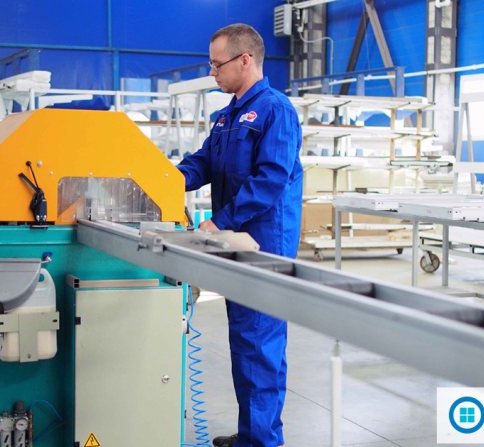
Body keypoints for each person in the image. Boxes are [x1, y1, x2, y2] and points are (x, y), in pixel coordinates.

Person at [177, 23, 303, 447]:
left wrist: (220, 222)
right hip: (235, 245)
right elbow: (202, 163)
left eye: (217, 64)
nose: (212, 72)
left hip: (264, 247)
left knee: (260, 347)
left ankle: (262, 441)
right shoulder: (227, 117)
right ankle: (253, 434)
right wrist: (162, 180)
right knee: (244, 343)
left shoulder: (275, 110)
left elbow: (270, 180)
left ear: (245, 60)